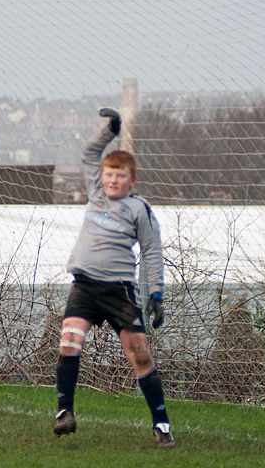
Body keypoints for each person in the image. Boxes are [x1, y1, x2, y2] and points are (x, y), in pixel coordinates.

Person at [53, 108, 174, 449]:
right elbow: (89, 153)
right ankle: (65, 412)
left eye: (120, 176)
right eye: (109, 174)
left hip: (120, 292)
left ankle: (161, 424)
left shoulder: (140, 211)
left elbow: (152, 252)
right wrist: (111, 130)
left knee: (140, 355)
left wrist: (157, 295)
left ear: (132, 180)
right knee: (69, 339)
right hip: (85, 287)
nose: (112, 180)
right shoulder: (96, 192)